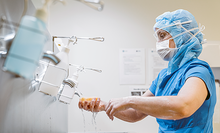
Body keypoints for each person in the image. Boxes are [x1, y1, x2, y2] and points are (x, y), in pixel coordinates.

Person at [78, 9, 217, 133]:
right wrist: (104, 105)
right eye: (157, 37)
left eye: (162, 35)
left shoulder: (198, 70)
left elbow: (183, 106)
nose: (158, 42)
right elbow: (135, 113)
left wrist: (130, 100)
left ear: (181, 36)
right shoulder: (164, 76)